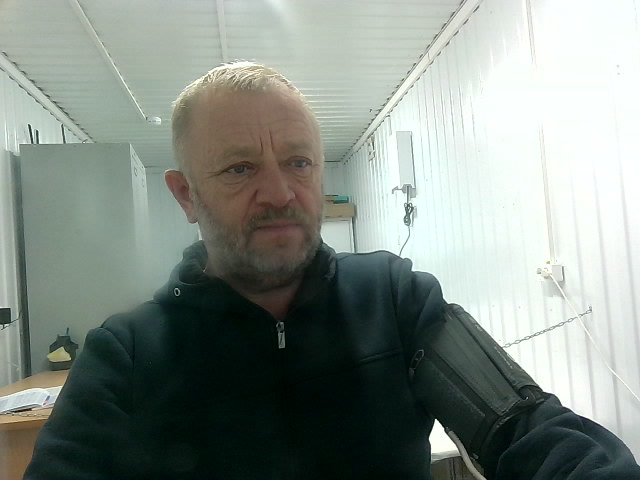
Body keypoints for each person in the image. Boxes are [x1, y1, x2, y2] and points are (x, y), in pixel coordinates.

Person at [24, 62, 640, 480]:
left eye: (299, 162)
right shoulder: (127, 355)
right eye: (240, 169)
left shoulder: (395, 300)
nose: (279, 193)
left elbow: (529, 430)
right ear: (186, 195)